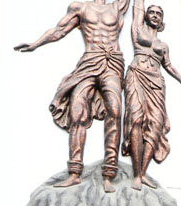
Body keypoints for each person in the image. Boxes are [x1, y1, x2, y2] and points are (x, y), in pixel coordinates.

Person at [14, 0, 130, 193]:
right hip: (89, 62)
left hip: (112, 63)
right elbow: (59, 30)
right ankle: (74, 173)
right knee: (77, 112)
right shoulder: (79, 7)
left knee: (115, 110)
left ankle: (109, 174)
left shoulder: (116, 6)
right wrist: (36, 44)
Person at [122, 0, 181, 190]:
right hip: (136, 75)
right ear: (146, 16)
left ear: (162, 21)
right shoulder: (138, 31)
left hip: (157, 83)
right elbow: (137, 8)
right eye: (152, 12)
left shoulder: (163, 45)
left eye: (159, 14)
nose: (155, 15)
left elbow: (169, 66)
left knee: (156, 124)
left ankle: (142, 173)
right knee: (136, 119)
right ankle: (136, 174)